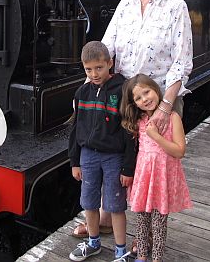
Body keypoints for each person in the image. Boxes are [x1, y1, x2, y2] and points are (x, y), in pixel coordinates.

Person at [73, 0, 193, 242]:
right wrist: (87, 90)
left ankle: (147, 234)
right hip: (125, 98)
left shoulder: (177, 7)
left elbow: (182, 62)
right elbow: (107, 49)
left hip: (158, 100)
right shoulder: (125, 5)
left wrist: (165, 109)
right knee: (119, 160)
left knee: (152, 165)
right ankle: (105, 218)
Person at [68, 41, 136, 262]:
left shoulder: (123, 90)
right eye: (89, 69)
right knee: (89, 201)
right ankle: (93, 242)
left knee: (115, 205)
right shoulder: (82, 92)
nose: (94, 73)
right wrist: (74, 161)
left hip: (113, 157)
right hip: (88, 156)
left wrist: (128, 167)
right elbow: (76, 127)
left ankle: (120, 250)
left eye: (99, 67)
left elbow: (129, 132)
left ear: (110, 63)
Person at [121, 74, 192, 262]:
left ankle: (157, 259)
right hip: (144, 177)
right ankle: (142, 256)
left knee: (159, 223)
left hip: (163, 177)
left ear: (156, 90)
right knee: (142, 221)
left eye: (147, 92)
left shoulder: (173, 117)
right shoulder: (138, 121)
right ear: (134, 103)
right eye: (138, 97)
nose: (145, 99)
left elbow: (179, 151)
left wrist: (156, 136)